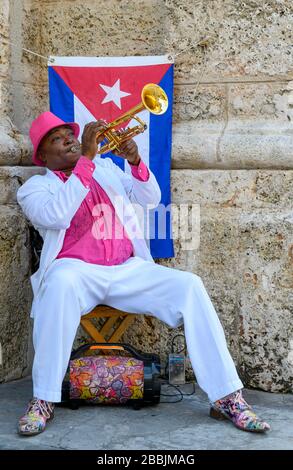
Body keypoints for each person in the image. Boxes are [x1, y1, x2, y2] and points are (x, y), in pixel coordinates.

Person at [16, 111, 270, 436]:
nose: (68, 140)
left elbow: (151, 199)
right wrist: (87, 162)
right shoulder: (35, 188)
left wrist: (135, 161)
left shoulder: (105, 169)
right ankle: (43, 399)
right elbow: (56, 216)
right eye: (57, 138)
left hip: (126, 268)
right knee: (60, 283)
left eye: (70, 134)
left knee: (190, 286)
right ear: (44, 156)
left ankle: (227, 397)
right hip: (76, 270)